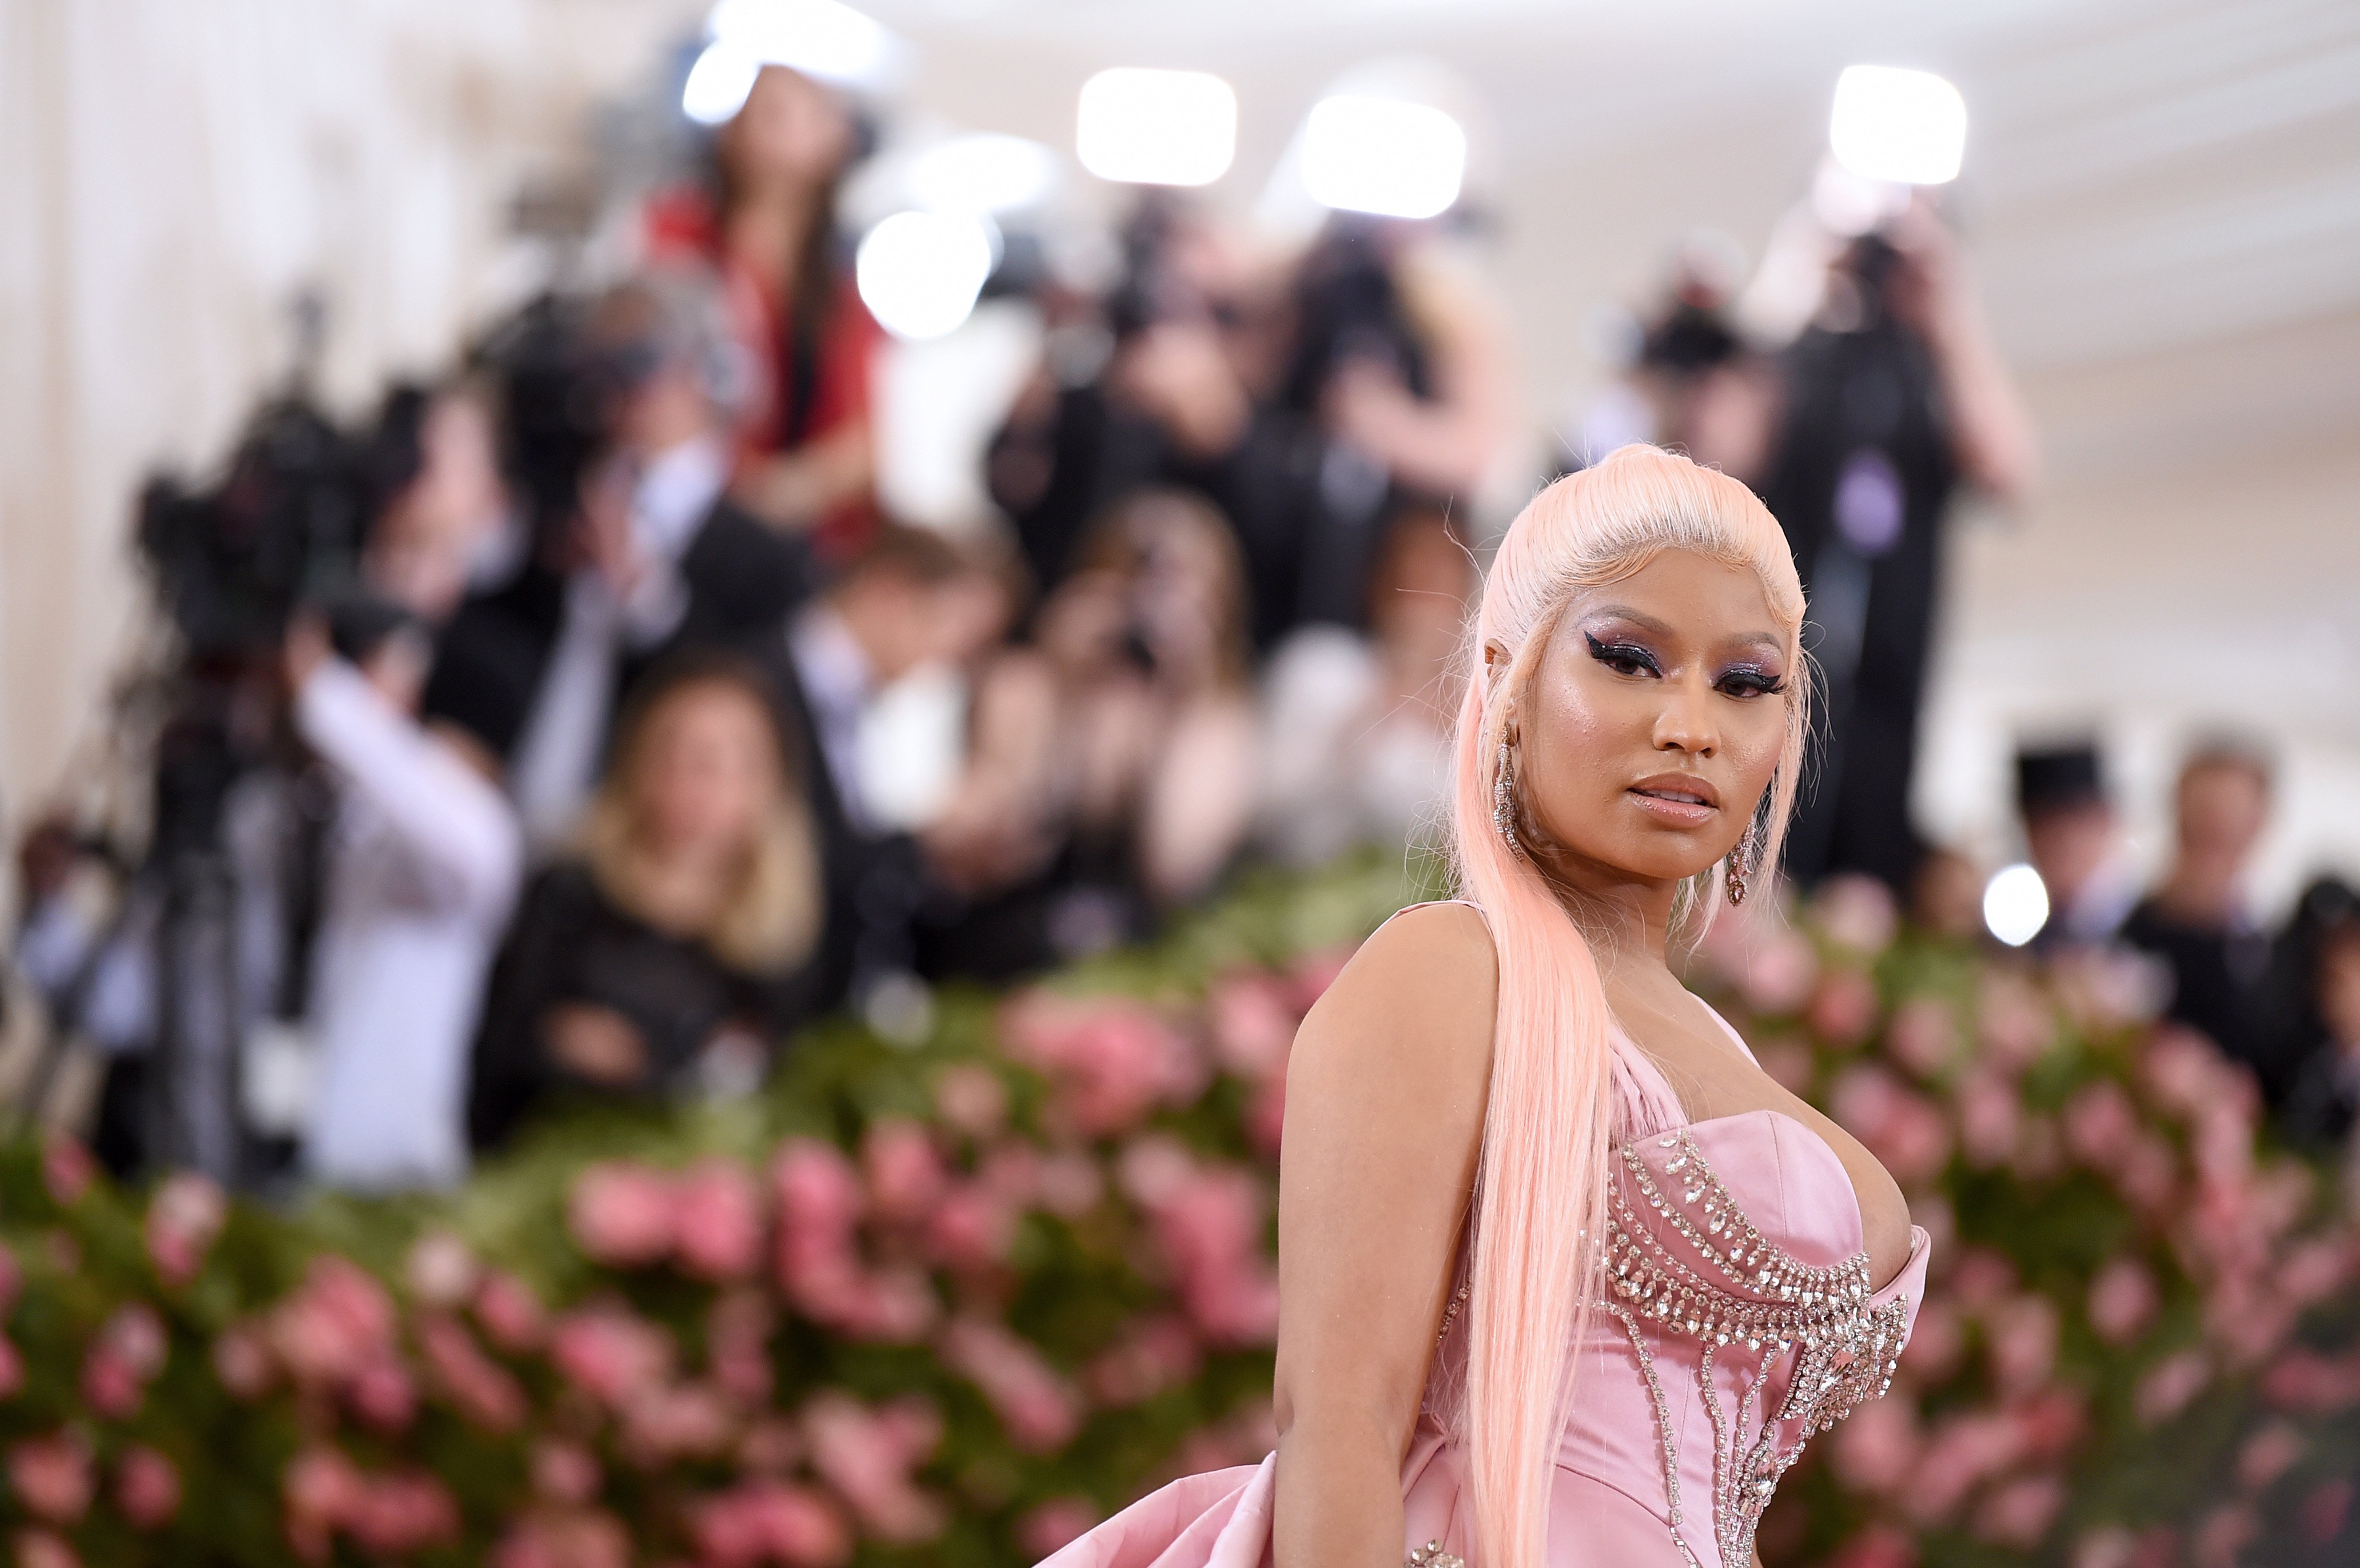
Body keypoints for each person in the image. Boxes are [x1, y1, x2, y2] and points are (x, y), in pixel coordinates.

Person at [1040, 445, 1929, 1568]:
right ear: (1508, 684)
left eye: (1746, 682)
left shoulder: (1711, 1041)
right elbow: (1342, 1428)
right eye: (1629, 660)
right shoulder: (1449, 971)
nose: (1691, 724)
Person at [1757, 193, 2038, 897]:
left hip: (1890, 683)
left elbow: (2009, 472)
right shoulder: (1796, 357)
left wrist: (1948, 312)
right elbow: (1712, 444)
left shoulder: (1934, 370)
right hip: (1770, 648)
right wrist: (1797, 276)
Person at [500, 272, 822, 851]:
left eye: (638, 362)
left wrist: (645, 595)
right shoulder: (557, 502)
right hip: (514, 806)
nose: (615, 392)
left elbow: (753, 703)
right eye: (597, 366)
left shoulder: (765, 554)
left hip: (642, 835)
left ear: (710, 371)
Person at [468, 655, 823, 1150]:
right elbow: (487, 1048)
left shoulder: (784, 941)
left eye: (714, 763)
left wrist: (648, 1073)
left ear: (768, 782)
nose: (690, 783)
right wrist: (557, 1050)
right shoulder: (566, 890)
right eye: (671, 753)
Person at [919, 490, 1261, 978]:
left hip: (1143, 970)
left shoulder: (1218, 717)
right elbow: (990, 837)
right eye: (1132, 579)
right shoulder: (1026, 683)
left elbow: (1173, 868)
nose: (1151, 610)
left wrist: (1179, 706)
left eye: (1185, 589)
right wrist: (1062, 688)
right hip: (1000, 954)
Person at [285, 607, 521, 1191]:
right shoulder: (325, 822)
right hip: (276, 1161)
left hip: (390, 1171)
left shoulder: (480, 831)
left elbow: (437, 811)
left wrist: (323, 691)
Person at [754, 521, 1007, 1007]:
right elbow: (797, 859)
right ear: (891, 593)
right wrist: (925, 840)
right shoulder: (758, 688)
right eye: (954, 632)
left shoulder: (856, 707)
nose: (948, 661)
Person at [648, 63, 881, 558]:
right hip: (681, 508)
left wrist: (782, 492)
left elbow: (861, 444)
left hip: (792, 529)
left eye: (812, 115)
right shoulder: (679, 236)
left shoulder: (837, 283)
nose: (788, 129)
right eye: (769, 112)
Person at [1255, 506, 1474, 867]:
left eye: (1436, 587)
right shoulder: (1319, 667)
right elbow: (1265, 808)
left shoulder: (1479, 716)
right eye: (1407, 583)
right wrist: (1371, 711)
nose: (1418, 605)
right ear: (1376, 583)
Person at [2119, 740, 2283, 1097]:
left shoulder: (2272, 966)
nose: (2216, 828)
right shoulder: (2120, 936)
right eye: (2205, 813)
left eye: (2231, 818)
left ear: (2258, 827)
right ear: (2177, 810)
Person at [2013, 742, 2138, 953]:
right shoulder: (2020, 929)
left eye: (2076, 819)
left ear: (2105, 820)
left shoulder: (2142, 921)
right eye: (2043, 823)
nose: (2061, 840)